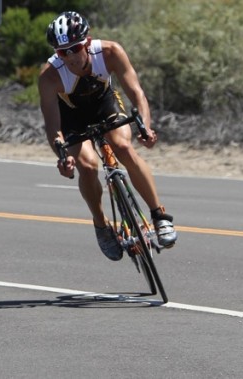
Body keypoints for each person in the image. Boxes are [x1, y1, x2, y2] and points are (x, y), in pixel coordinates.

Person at [38, 11, 178, 261]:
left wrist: (145, 127)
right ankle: (101, 225)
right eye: (62, 52)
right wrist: (61, 155)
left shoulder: (111, 52)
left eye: (75, 48)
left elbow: (136, 93)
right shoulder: (50, 76)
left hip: (104, 103)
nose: (70, 56)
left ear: (87, 42)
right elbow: (53, 125)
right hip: (71, 115)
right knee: (88, 166)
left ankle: (159, 216)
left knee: (123, 146)